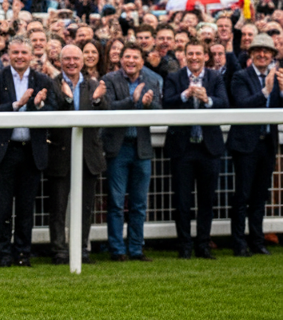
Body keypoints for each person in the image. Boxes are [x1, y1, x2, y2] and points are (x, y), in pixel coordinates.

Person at [0, 36, 54, 267]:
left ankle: (23, 254)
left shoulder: (42, 79)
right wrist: (17, 104)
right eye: (15, 53)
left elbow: (55, 108)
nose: (20, 56)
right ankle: (3, 254)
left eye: (24, 52)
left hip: (31, 151)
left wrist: (39, 105)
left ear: (32, 55)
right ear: (8, 55)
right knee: (2, 207)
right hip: (6, 151)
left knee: (26, 208)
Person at [163, 39, 229, 259]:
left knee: (207, 200)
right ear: (184, 55)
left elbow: (224, 103)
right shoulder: (174, 78)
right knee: (182, 201)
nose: (194, 57)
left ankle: (203, 245)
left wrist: (207, 99)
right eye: (190, 54)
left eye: (198, 54)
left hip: (208, 147)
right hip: (183, 147)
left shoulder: (215, 77)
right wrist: (186, 94)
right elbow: (167, 104)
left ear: (205, 56)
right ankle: (184, 246)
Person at [46, 45, 108, 264]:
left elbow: (106, 114)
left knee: (86, 207)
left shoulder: (94, 85)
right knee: (58, 207)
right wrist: (67, 100)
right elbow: (51, 114)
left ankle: (81, 248)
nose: (71, 62)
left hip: (88, 156)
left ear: (83, 62)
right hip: (60, 154)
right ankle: (60, 251)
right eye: (67, 59)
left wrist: (98, 100)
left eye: (75, 58)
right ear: (59, 61)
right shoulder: (52, 85)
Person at [101, 42, 161, 261]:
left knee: (139, 203)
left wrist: (147, 104)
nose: (131, 61)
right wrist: (132, 101)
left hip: (142, 148)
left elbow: (159, 110)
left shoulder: (152, 80)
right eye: (127, 56)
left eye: (135, 57)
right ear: (121, 59)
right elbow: (106, 108)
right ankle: (117, 250)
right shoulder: (109, 79)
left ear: (142, 62)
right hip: (118, 148)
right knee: (116, 202)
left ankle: (136, 249)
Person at [226, 34, 280, 256]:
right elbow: (242, 105)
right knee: (243, 195)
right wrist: (265, 92)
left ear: (272, 56)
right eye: (258, 50)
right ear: (250, 54)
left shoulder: (278, 78)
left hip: (267, 143)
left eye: (267, 51)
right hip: (245, 145)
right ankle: (239, 244)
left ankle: (257, 242)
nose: (262, 54)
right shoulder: (240, 76)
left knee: (260, 196)